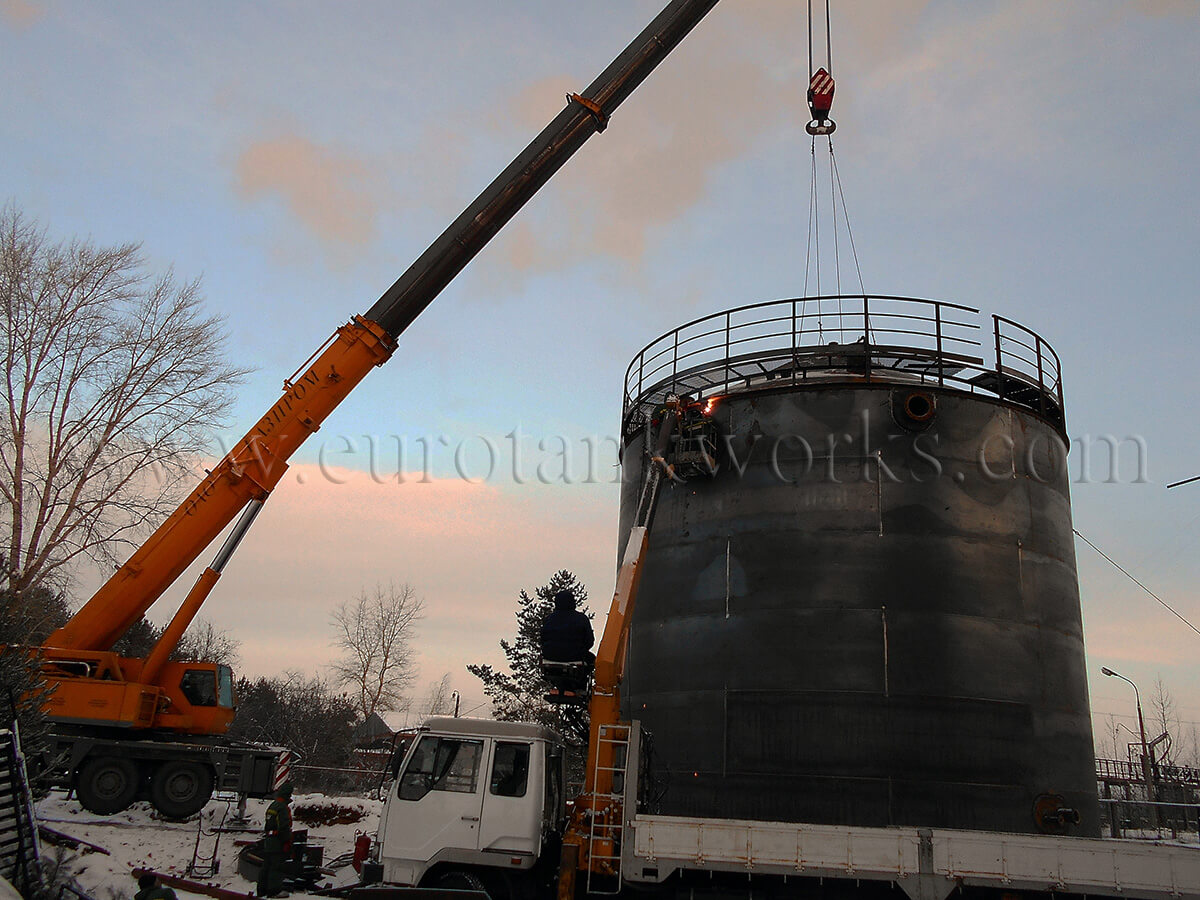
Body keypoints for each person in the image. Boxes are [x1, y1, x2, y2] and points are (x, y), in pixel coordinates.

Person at [540, 590, 595, 696]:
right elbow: (589, 641)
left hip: (550, 655)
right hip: (575, 655)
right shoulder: (581, 619)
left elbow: (543, 639)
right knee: (591, 661)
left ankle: (559, 686)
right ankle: (581, 688)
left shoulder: (549, 619)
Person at [257, 783, 294, 898]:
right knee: (277, 867)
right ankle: (274, 891)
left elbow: (268, 825)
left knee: (266, 866)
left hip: (269, 840)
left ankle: (262, 890)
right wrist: (287, 841)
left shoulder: (272, 806)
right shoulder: (283, 808)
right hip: (277, 842)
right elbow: (284, 827)